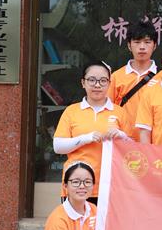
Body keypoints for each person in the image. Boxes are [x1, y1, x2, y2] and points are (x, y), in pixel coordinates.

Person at [53, 62, 131, 201]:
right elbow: (58, 147)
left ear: (109, 83)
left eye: (103, 80)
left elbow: (132, 152)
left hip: (111, 185)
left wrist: (121, 136)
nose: (97, 85)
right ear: (83, 83)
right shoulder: (71, 111)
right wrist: (86, 138)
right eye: (92, 80)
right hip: (77, 185)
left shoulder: (120, 112)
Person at [107, 21, 162, 138]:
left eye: (147, 42)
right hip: (123, 139)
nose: (142, 47)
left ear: (154, 45)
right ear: (129, 45)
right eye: (137, 42)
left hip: (154, 141)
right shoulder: (116, 77)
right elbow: (108, 110)